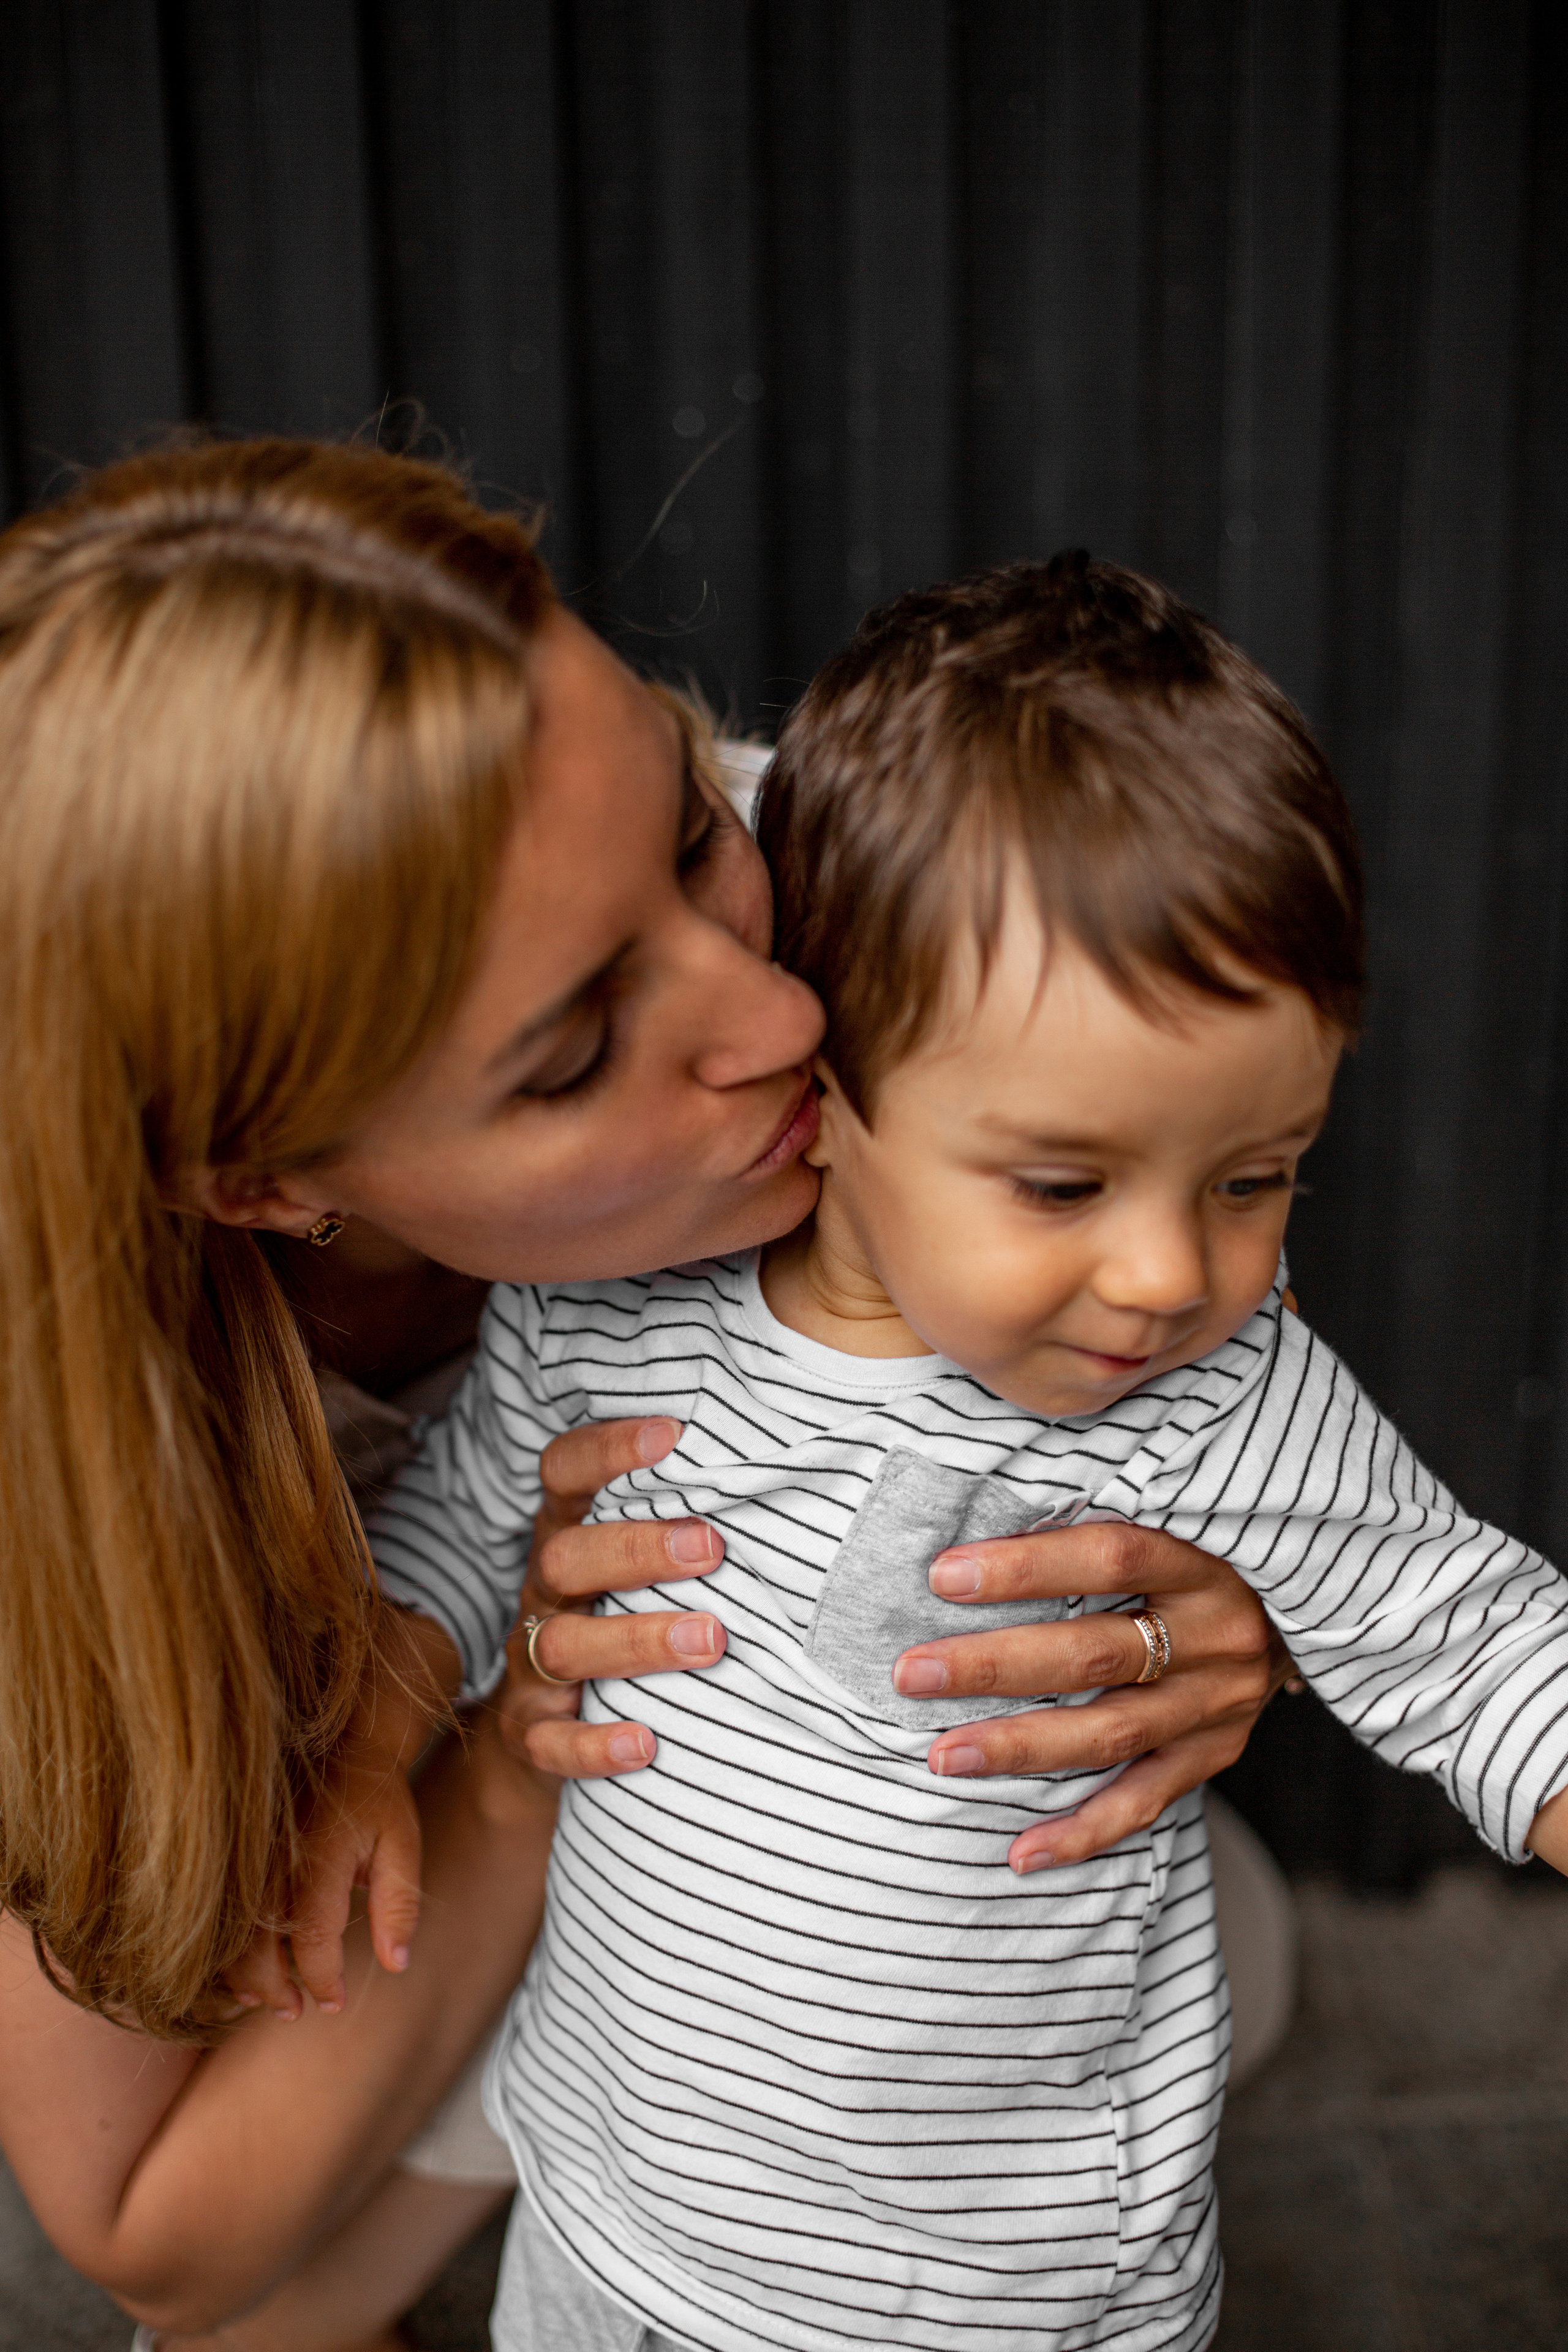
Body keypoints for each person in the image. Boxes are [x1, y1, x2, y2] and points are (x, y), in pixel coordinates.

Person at [0, 445, 1282, 2352]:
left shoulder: (866, 902)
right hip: (453, 1845)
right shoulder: (88, 1457)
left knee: (1219, 1954)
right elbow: (152, 2229)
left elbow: (1180, 1222)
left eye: (693, 831)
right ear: (259, 1180)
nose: (774, 1022)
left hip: (805, 1778)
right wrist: (520, 1762)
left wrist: (1209, 1575)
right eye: (581, 1049)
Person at [371, 555, 1568, 2352]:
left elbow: (1479, 1644)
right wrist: (370, 1740)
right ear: (825, 1082)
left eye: (1256, 1175)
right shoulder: (605, 1313)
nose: (1174, 1274)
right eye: (1066, 1182)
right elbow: (468, 1532)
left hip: (1001, 2299)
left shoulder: (1214, 1393)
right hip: (615, 2227)